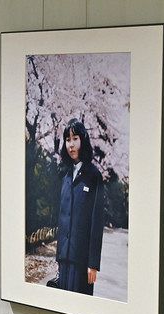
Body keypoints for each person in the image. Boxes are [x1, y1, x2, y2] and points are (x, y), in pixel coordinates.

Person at [55, 118, 104, 295]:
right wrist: (59, 255)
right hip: (64, 258)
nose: (71, 144)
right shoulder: (65, 175)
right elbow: (62, 216)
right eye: (68, 140)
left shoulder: (94, 175)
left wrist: (93, 263)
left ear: (83, 140)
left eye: (75, 138)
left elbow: (96, 222)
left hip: (82, 262)